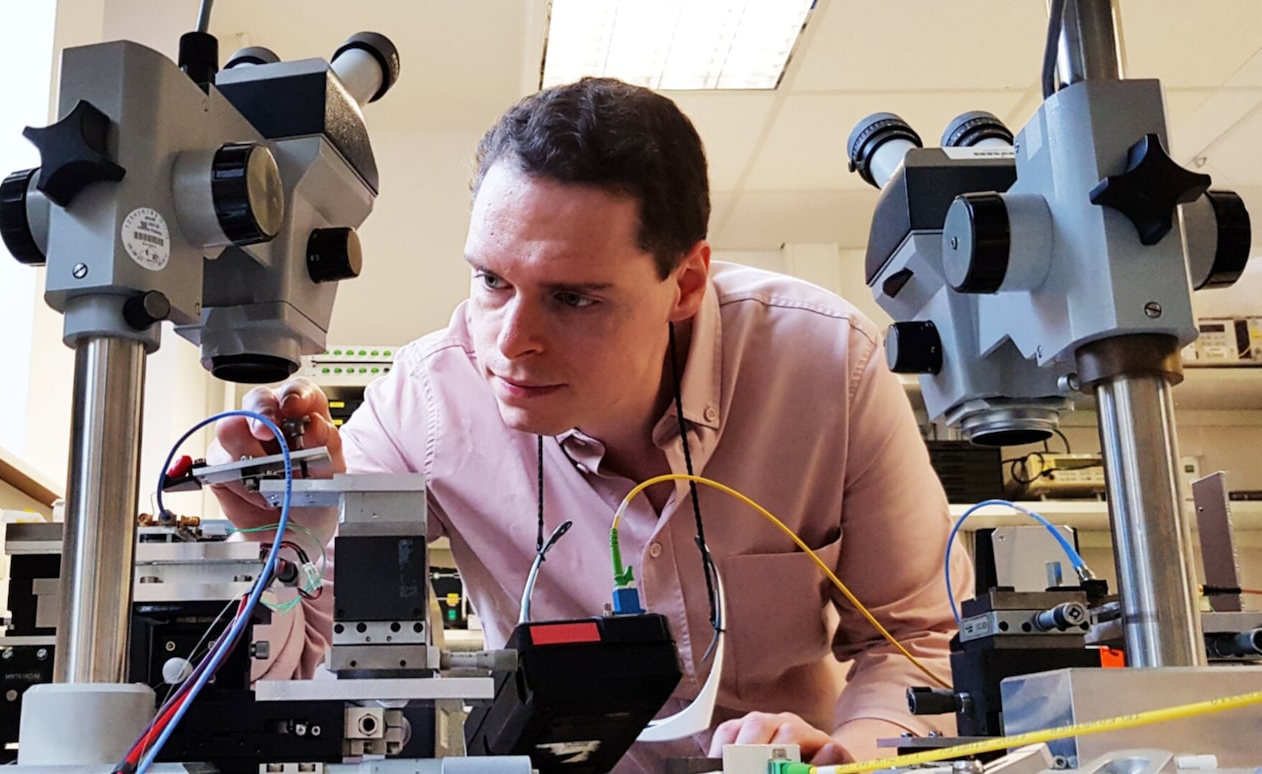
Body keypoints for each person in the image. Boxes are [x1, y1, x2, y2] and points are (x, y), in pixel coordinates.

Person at [211, 76, 971, 770]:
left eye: (574, 299)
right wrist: (285, 541)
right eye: (491, 281)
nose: (508, 342)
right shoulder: (427, 402)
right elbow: (293, 668)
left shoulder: (824, 364)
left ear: (687, 282)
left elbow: (921, 639)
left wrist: (851, 753)